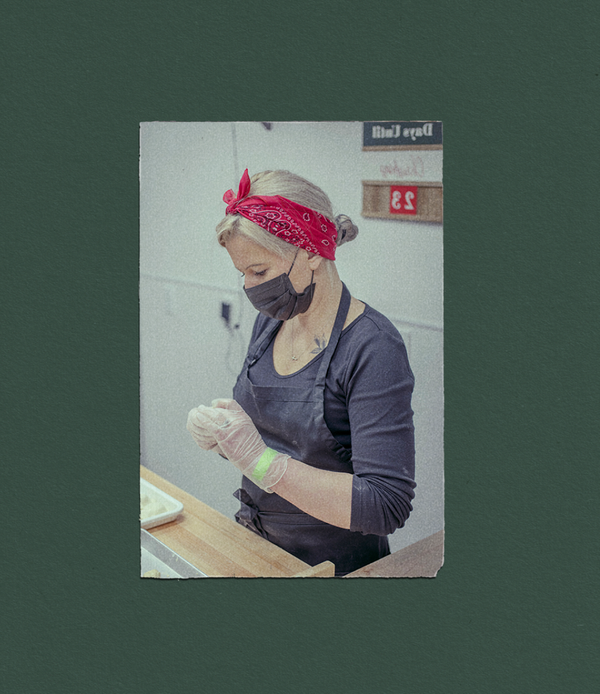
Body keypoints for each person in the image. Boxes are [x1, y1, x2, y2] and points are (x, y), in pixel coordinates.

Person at [186, 169, 416, 576]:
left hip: (334, 567)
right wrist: (226, 437)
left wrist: (260, 462)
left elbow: (386, 504)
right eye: (242, 273)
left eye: (259, 272)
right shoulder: (272, 321)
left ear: (311, 251)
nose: (249, 288)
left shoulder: (372, 347)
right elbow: (272, 439)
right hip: (258, 548)